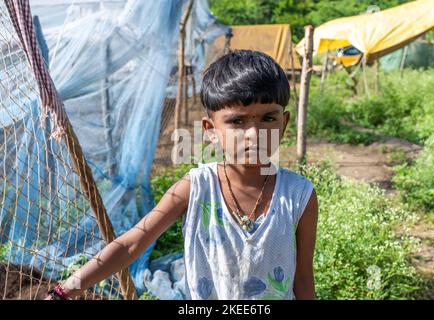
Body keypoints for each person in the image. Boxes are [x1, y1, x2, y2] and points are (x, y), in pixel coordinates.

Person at [46, 50, 318, 300]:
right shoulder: (196, 187)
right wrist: (65, 289)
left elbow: (303, 277)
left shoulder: (299, 195)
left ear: (284, 123)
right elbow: (132, 244)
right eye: (237, 121)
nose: (254, 133)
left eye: (268, 118)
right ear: (211, 130)